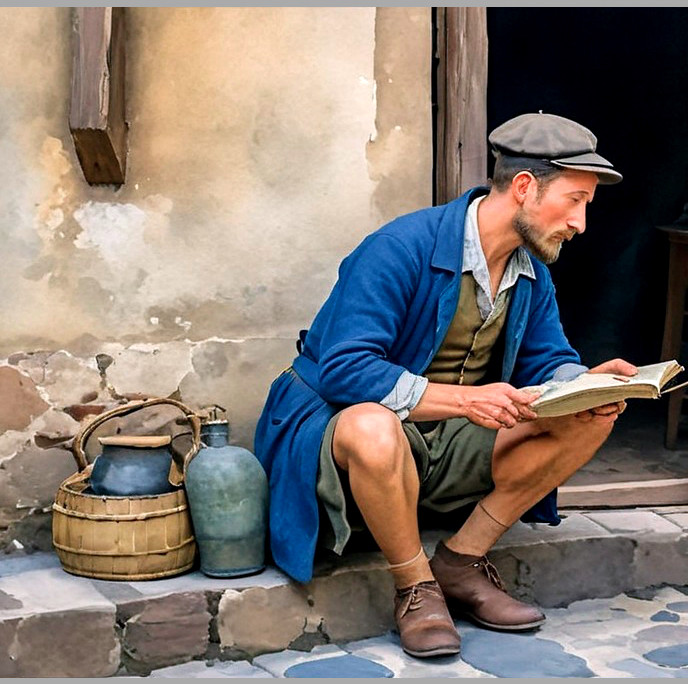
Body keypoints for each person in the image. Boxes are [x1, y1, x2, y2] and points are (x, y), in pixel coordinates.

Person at [254, 112, 637, 658]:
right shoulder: (399, 246)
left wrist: (583, 384)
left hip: (445, 436)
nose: (580, 223)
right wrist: (467, 399)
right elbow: (344, 369)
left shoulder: (531, 271)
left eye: (586, 206)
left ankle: (460, 562)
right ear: (525, 188)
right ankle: (415, 587)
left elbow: (549, 359)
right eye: (574, 200)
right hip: (344, 431)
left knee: (589, 417)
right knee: (372, 426)